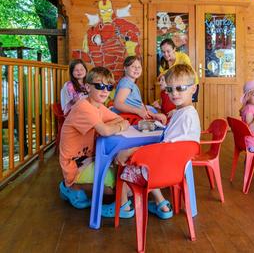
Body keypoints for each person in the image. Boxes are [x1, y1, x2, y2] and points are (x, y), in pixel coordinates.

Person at [116, 64, 201, 219]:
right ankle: (161, 203)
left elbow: (164, 149)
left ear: (193, 89)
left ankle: (123, 207)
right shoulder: (186, 113)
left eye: (180, 88)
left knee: (120, 164)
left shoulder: (184, 116)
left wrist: (129, 152)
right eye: (169, 89)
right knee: (146, 160)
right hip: (174, 170)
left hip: (161, 172)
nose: (174, 93)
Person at [58, 66, 134, 218]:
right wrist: (119, 126)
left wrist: (117, 125)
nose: (105, 90)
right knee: (119, 185)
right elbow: (105, 130)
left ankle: (76, 187)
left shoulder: (98, 106)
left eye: (109, 86)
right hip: (75, 164)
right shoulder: (83, 106)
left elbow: (118, 120)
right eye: (99, 86)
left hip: (91, 157)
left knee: (128, 185)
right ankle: (71, 186)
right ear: (87, 87)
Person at [113, 56, 167, 124]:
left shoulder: (133, 85)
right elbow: (117, 104)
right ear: (125, 68)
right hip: (128, 118)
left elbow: (140, 106)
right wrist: (138, 111)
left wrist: (154, 115)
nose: (136, 69)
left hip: (134, 117)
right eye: (133, 66)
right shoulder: (126, 82)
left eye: (139, 67)